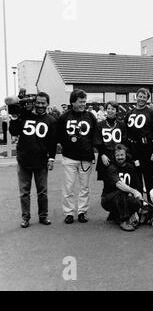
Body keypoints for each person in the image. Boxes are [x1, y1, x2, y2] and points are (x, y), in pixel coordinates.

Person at [8, 92, 57, 228]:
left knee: (42, 191)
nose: (40, 105)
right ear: (34, 102)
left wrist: (51, 158)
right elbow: (13, 131)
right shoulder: (25, 115)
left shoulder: (51, 120)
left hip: (41, 161)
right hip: (24, 159)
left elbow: (52, 142)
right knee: (24, 192)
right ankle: (25, 217)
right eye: (38, 102)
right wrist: (14, 117)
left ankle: (43, 216)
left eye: (43, 103)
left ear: (47, 104)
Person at [57, 89, 98, 224]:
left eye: (84, 101)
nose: (83, 104)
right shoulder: (64, 117)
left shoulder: (91, 116)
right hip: (69, 157)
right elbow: (60, 136)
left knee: (84, 187)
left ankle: (82, 212)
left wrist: (92, 151)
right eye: (80, 102)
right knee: (68, 187)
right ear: (73, 102)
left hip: (85, 158)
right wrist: (67, 146)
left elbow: (95, 136)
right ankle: (69, 213)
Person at [125, 88, 153, 195]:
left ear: (147, 99)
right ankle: (139, 205)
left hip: (146, 148)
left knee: (149, 177)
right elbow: (125, 131)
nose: (141, 99)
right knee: (136, 178)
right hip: (132, 148)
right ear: (136, 97)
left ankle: (151, 205)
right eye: (140, 96)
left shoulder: (152, 112)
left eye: (144, 97)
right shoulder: (130, 112)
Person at [101, 144, 143, 231]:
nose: (120, 157)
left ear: (126, 155)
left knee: (137, 202)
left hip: (124, 198)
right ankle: (123, 220)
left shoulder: (131, 167)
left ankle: (115, 214)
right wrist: (133, 191)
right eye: (117, 155)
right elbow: (119, 184)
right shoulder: (111, 168)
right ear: (114, 156)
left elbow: (137, 185)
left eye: (122, 155)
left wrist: (139, 198)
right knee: (121, 191)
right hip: (108, 199)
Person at [94, 101, 127, 181]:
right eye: (108, 108)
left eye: (113, 109)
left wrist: (121, 155)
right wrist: (102, 154)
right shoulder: (100, 124)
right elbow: (98, 141)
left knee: (119, 181)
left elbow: (124, 141)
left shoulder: (121, 124)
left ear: (116, 111)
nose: (110, 111)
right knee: (107, 183)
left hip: (118, 156)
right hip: (105, 156)